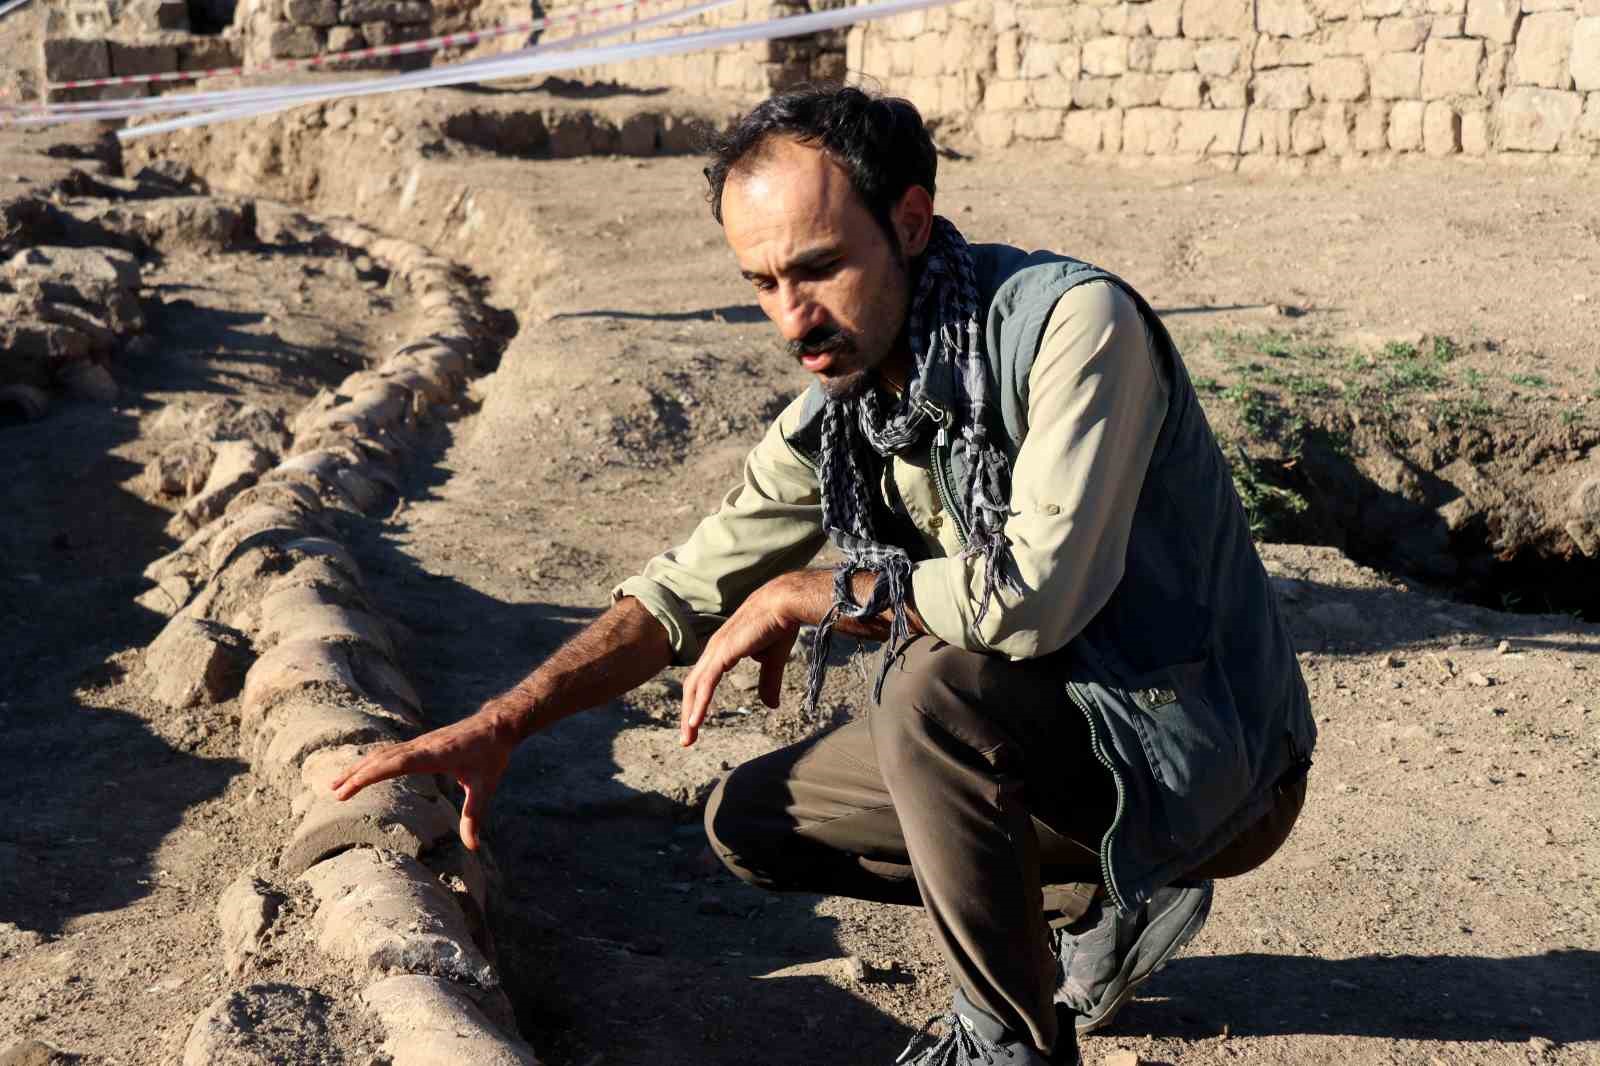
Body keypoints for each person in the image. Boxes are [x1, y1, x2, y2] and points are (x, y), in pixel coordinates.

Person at [331, 85, 1317, 1066]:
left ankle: (1005, 1043)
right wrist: (510, 718)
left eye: (817, 268)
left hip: (1208, 751)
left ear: (912, 222)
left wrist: (835, 592)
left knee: (926, 688)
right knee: (754, 822)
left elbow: (1036, 595)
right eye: (761, 282)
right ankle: (1102, 895)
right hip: (1057, 736)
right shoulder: (847, 409)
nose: (791, 318)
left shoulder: (1070, 328)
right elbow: (683, 587)